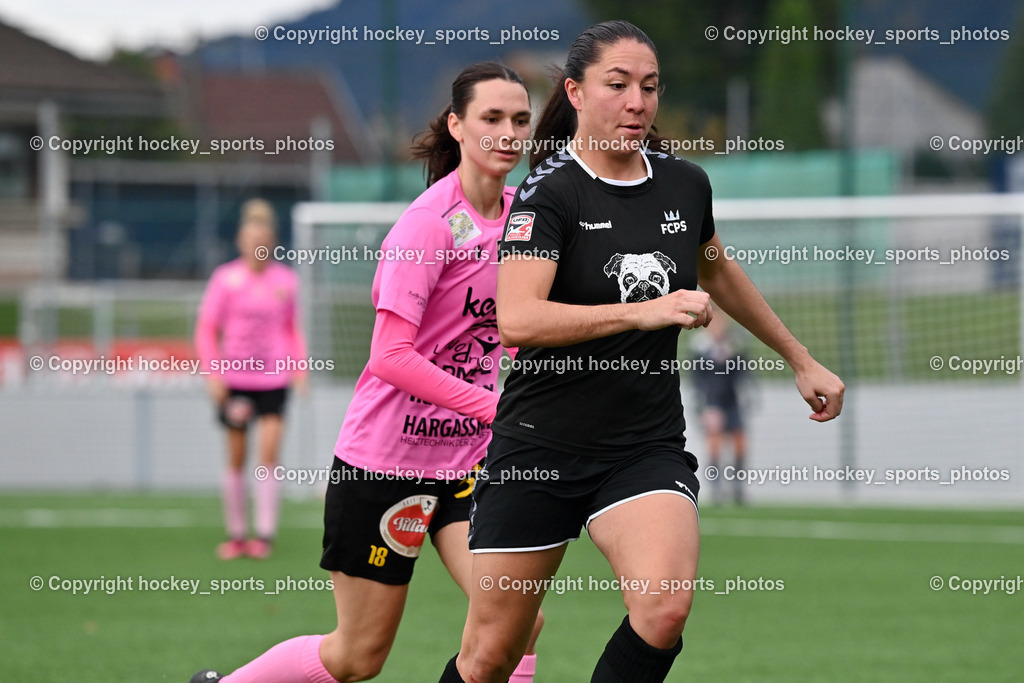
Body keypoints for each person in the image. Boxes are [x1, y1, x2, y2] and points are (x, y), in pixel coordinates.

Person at [438, 21, 845, 683]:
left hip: (642, 446)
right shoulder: (547, 195)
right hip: (537, 448)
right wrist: (644, 309)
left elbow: (716, 269)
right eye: (619, 85)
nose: (638, 102)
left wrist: (799, 357)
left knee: (664, 606)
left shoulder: (685, 186)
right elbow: (516, 318)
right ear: (574, 91)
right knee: (489, 656)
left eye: (650, 88)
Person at [191, 61, 543, 683]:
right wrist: (493, 407)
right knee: (357, 657)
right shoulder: (427, 224)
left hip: (468, 465)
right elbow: (390, 356)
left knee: (515, 617)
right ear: (457, 126)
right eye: (491, 118)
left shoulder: (526, 219)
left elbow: (519, 321)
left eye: (519, 119)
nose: (507, 132)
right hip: (387, 464)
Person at [195, 198, 307, 560]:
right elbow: (207, 328)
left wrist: (299, 366)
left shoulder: (286, 281)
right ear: (241, 242)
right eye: (251, 237)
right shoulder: (225, 279)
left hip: (273, 381)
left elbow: (292, 329)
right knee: (236, 457)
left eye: (264, 238)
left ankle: (265, 535)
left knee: (269, 455)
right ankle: (237, 534)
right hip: (236, 382)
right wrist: (213, 373)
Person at [690, 309, 749, 505]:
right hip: (713, 402)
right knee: (714, 445)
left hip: (731, 401)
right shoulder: (701, 348)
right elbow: (697, 379)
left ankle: (738, 488)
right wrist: (704, 406)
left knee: (740, 443)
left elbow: (743, 373)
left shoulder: (734, 345)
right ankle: (716, 488)